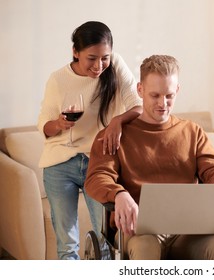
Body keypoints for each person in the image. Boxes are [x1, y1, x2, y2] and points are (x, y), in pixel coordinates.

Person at [85, 54, 214, 260]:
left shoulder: (192, 132)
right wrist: (118, 194)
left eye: (169, 95)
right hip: (139, 232)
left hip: (187, 230)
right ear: (140, 90)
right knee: (145, 246)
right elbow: (97, 177)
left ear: (177, 90)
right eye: (155, 95)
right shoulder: (115, 136)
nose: (163, 103)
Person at [37, 21, 143, 260]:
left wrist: (116, 121)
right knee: (67, 245)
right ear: (76, 52)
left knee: (105, 242)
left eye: (104, 57)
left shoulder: (115, 66)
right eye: (91, 58)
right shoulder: (58, 79)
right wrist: (59, 124)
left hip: (99, 163)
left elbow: (138, 105)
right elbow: (44, 123)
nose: (99, 65)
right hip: (59, 163)